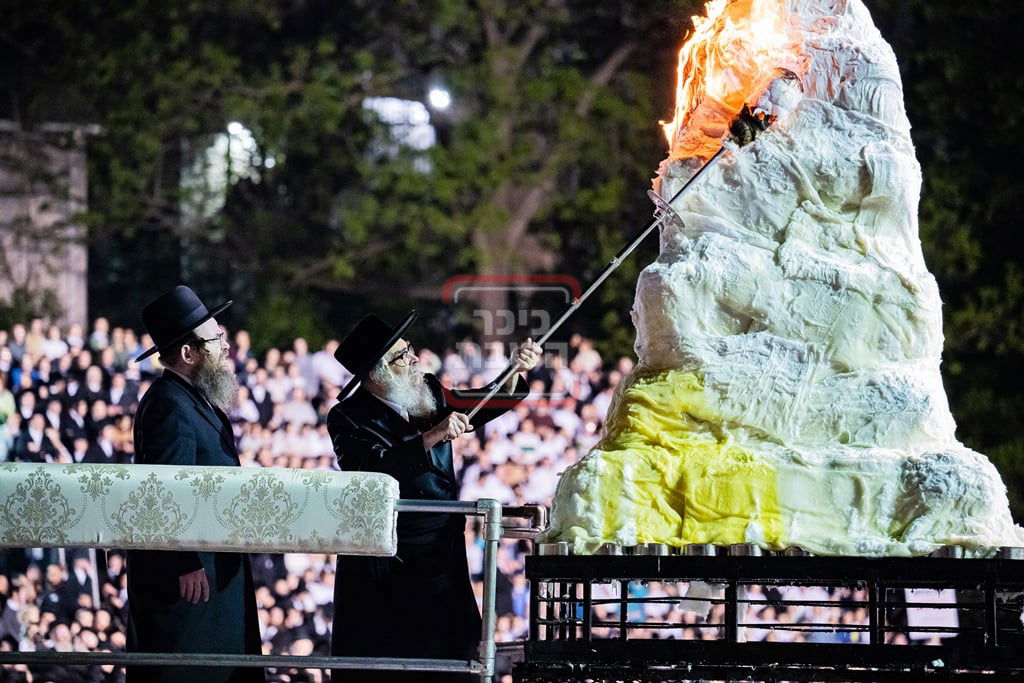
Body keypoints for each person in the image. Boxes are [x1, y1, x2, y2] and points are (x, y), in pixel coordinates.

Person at [328, 311, 540, 682]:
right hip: (393, 559)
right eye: (401, 356)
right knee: (398, 660)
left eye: (408, 349)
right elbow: (369, 471)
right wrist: (430, 437)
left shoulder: (425, 386)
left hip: (442, 548)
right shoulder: (348, 417)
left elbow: (477, 406)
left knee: (455, 654)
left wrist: (513, 372)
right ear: (377, 373)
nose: (413, 358)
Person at [125, 285, 263, 683]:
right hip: (190, 580)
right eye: (216, 339)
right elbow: (166, 489)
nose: (225, 347)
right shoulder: (170, 404)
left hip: (211, 570)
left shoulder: (190, 397)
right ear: (188, 353)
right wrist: (184, 560)